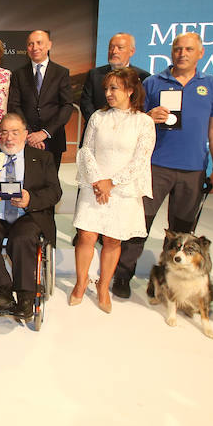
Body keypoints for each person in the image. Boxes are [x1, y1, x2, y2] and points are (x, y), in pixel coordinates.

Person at [112, 32, 213, 299]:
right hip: (155, 167)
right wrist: (149, 116)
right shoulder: (152, 82)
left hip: (193, 170)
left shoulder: (212, 86)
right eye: (177, 49)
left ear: (201, 53)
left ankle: (166, 279)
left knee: (182, 234)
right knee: (139, 225)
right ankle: (123, 274)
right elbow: (133, 119)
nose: (182, 53)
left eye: (188, 49)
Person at [0, 113, 61, 318]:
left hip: (26, 216)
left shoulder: (43, 158)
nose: (9, 138)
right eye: (4, 132)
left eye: (15, 132)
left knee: (23, 238)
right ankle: (2, 291)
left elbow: (54, 192)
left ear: (25, 134)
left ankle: (25, 297)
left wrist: (30, 199)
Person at [72, 68, 155, 313]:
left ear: (130, 90)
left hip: (123, 189)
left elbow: (141, 160)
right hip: (94, 184)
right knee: (87, 236)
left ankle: (103, 287)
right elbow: (86, 150)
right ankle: (80, 283)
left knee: (112, 239)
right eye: (106, 89)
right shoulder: (98, 117)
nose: (107, 93)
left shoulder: (144, 122)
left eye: (114, 88)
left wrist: (112, 182)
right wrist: (98, 180)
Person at [7, 29, 73, 169]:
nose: (34, 47)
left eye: (39, 43)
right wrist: (30, 135)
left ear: (49, 45)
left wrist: (44, 133)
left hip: (53, 138)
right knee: (26, 182)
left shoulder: (61, 73)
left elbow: (67, 106)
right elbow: (14, 105)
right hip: (25, 139)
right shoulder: (18, 74)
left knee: (51, 184)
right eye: (30, 44)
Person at [79, 33, 150, 143]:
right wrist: (100, 124)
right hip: (96, 135)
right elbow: (86, 103)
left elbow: (142, 105)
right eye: (111, 47)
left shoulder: (142, 77)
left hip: (128, 138)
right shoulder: (95, 74)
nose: (114, 51)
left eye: (119, 48)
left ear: (132, 51)